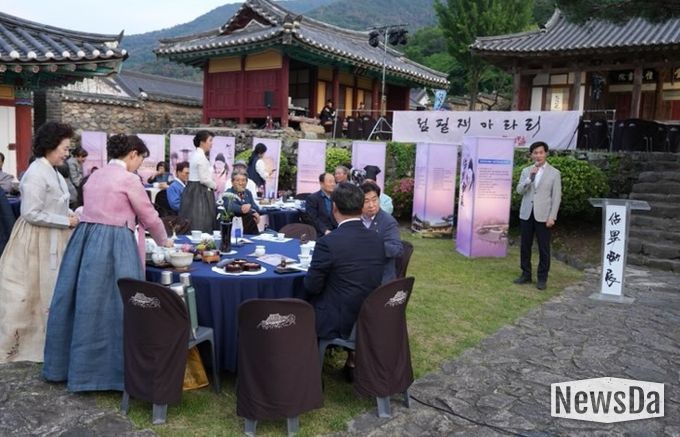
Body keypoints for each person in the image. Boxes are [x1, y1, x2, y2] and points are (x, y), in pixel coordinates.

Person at [43, 134, 172, 392]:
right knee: (120, 303)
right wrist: (164, 241)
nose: (139, 165)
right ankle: (113, 372)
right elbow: (149, 216)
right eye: (140, 159)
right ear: (133, 154)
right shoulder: (129, 179)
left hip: (86, 241)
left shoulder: (95, 176)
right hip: (116, 243)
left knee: (86, 303)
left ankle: (72, 367)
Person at [0, 121, 79, 363]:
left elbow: (55, 203)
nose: (67, 153)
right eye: (64, 148)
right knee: (30, 291)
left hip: (53, 235)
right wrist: (65, 221)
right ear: (50, 146)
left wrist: (70, 216)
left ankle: (50, 341)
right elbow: (30, 213)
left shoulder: (53, 170)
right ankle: (27, 344)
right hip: (36, 239)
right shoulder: (35, 173)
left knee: (50, 289)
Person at [304, 182, 385, 380]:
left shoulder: (329, 242)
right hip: (370, 312)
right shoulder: (376, 239)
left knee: (300, 305)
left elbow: (312, 286)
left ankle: (302, 368)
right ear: (361, 207)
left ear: (334, 208)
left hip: (340, 318)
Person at [514, 141, 562, 290]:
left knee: (543, 248)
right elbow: (519, 191)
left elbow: (556, 197)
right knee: (525, 246)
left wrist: (552, 216)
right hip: (527, 214)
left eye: (541, 152)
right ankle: (526, 274)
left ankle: (542, 278)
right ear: (531, 155)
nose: (538, 155)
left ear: (546, 153)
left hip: (544, 215)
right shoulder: (526, 171)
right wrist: (530, 178)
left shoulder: (554, 173)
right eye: (535, 153)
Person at [361, 181, 402, 283]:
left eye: (374, 200)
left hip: (381, 276)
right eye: (366, 201)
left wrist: (372, 245)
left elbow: (397, 250)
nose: (371, 205)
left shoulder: (388, 222)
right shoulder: (355, 218)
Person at [179, 130, 217, 232]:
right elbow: (204, 179)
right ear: (202, 142)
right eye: (210, 140)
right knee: (200, 220)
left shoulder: (196, 155)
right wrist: (215, 186)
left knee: (191, 218)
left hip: (192, 189)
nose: (212, 143)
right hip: (199, 191)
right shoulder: (200, 157)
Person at [306, 172, 337, 237]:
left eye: (334, 182)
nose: (333, 184)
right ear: (321, 183)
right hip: (321, 232)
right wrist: (325, 230)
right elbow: (313, 218)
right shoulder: (312, 198)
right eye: (330, 182)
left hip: (337, 230)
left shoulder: (337, 197)